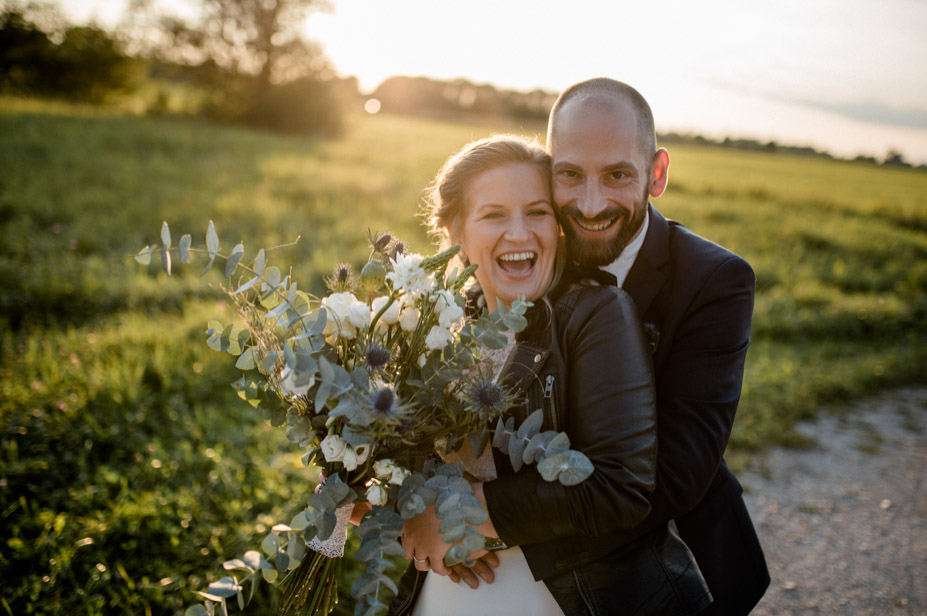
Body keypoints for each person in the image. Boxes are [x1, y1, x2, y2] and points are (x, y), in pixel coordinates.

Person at [387, 135, 713, 615]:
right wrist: (405, 512)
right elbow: (397, 465)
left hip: (570, 595)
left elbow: (617, 486)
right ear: (456, 231)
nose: (519, 233)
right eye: (494, 214)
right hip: (449, 593)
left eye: (537, 212)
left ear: (558, 228)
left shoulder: (595, 314)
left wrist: (467, 515)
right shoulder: (436, 329)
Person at [545, 77, 770, 615]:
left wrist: (489, 518)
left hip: (669, 560)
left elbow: (677, 473)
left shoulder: (715, 280)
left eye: (618, 175)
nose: (591, 204)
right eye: (570, 175)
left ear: (657, 173)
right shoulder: (526, 253)